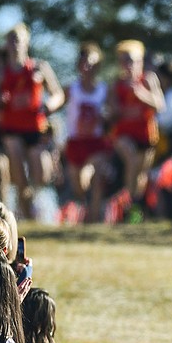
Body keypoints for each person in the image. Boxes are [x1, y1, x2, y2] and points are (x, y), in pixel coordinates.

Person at [0, 23, 65, 219]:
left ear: (27, 42)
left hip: (35, 128)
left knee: (40, 176)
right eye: (11, 39)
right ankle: (27, 218)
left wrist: (50, 105)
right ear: (6, 44)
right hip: (10, 128)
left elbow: (58, 94)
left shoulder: (39, 67)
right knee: (18, 171)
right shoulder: (1, 73)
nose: (15, 44)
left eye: (19, 39)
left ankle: (31, 203)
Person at [107, 40, 164, 205]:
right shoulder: (116, 85)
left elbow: (160, 105)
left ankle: (134, 208)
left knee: (141, 174)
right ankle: (126, 204)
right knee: (131, 159)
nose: (126, 64)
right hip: (123, 135)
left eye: (129, 60)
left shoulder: (148, 79)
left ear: (140, 61)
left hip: (146, 135)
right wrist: (114, 110)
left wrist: (141, 94)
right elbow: (112, 112)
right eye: (122, 60)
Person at [63, 43, 113, 223]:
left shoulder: (104, 90)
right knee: (79, 187)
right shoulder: (72, 89)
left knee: (94, 175)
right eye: (84, 63)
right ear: (79, 65)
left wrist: (107, 115)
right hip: (75, 142)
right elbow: (57, 101)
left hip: (96, 142)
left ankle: (93, 219)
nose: (88, 67)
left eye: (92, 63)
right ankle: (85, 216)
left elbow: (113, 112)